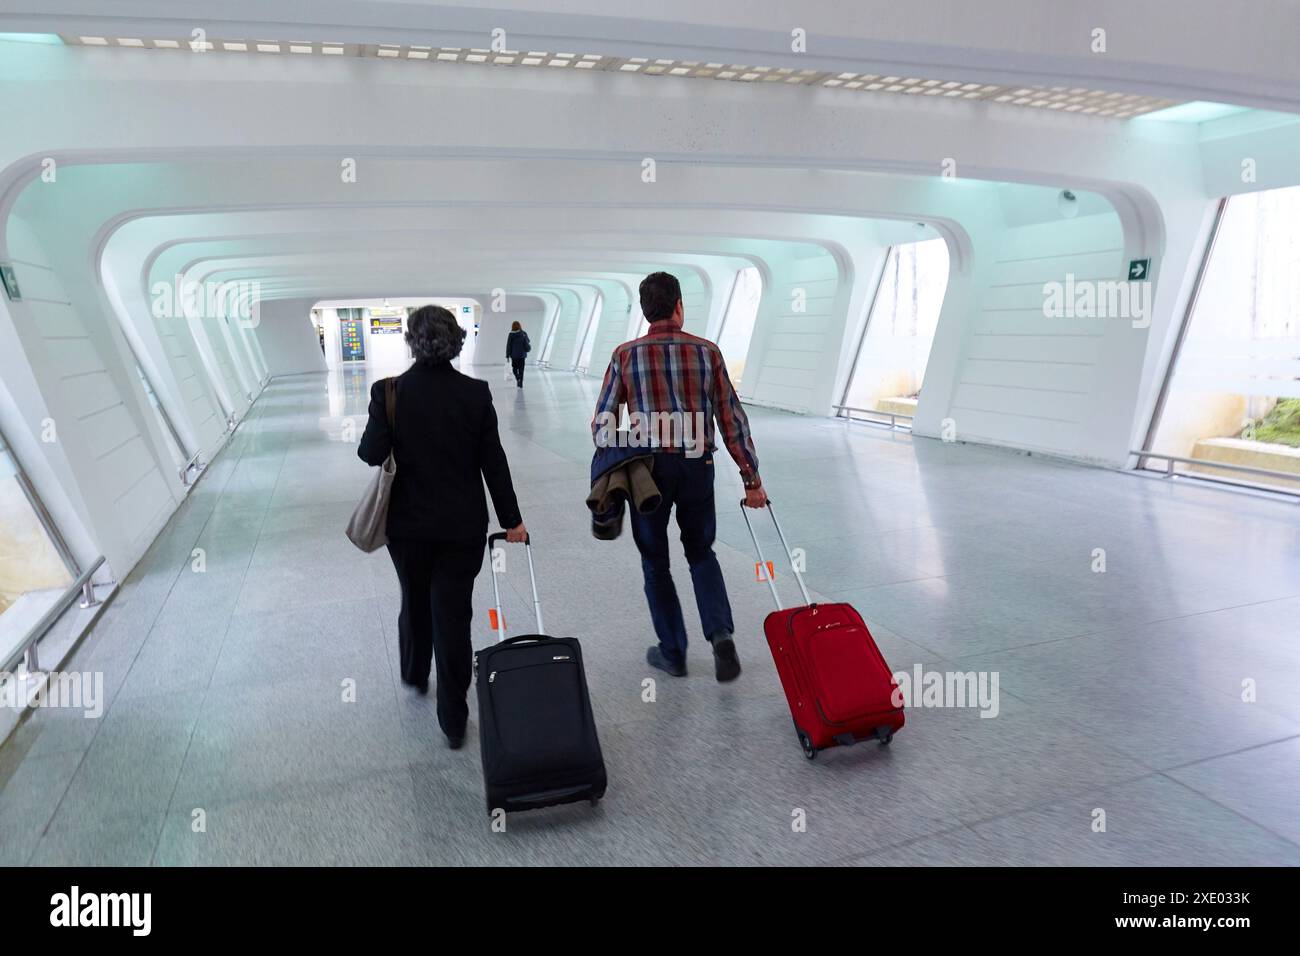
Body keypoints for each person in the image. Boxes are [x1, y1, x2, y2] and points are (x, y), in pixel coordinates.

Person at [359, 305, 527, 749]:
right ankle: (454, 716)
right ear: (456, 341)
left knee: (413, 597)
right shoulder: (475, 393)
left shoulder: (388, 391)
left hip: (407, 528)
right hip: (461, 527)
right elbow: (494, 462)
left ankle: (415, 673)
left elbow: (370, 453)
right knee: (453, 613)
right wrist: (512, 520)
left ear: (412, 342)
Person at [590, 272, 767, 682]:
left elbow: (601, 425)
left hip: (647, 472)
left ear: (644, 309)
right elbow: (731, 419)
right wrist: (751, 478)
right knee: (701, 551)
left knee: (656, 562)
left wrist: (630, 435)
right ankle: (721, 636)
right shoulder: (707, 352)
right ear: (679, 306)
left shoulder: (625, 355)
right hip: (696, 465)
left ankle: (673, 652)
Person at [505, 320, 531, 388]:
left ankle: (518, 377)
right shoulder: (523, 333)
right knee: (521, 369)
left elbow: (509, 346)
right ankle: (520, 384)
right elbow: (528, 341)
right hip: (522, 355)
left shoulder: (511, 334)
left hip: (514, 355)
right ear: (520, 326)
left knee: (514, 369)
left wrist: (507, 355)